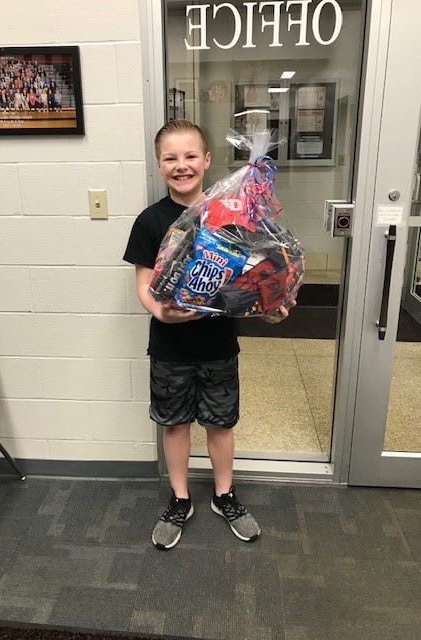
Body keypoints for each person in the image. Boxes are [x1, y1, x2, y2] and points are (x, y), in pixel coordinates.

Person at [123, 119, 291, 550]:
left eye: (191, 156)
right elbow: (143, 285)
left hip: (219, 345)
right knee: (175, 425)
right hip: (169, 347)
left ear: (207, 160)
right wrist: (162, 312)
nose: (182, 165)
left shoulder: (233, 216)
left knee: (220, 424)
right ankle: (180, 499)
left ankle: (224, 495)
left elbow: (253, 280)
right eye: (171, 158)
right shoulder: (150, 220)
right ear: (159, 165)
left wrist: (270, 307)